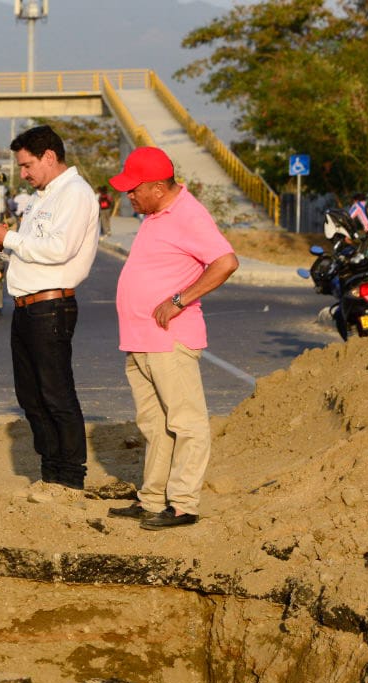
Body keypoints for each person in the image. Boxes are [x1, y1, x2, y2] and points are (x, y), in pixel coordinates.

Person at [106, 146, 238, 530]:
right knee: (155, 425)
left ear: (158, 188)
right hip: (142, 340)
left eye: (134, 190)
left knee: (186, 423)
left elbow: (226, 262)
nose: (128, 196)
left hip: (170, 340)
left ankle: (183, 505)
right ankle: (151, 500)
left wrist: (181, 299)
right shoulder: (156, 213)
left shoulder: (188, 215)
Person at [0, 125, 99, 491]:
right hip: (27, 307)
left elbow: (60, 250)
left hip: (51, 306)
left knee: (56, 393)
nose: (24, 174)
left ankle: (70, 477)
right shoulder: (42, 197)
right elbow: (37, 246)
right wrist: (7, 245)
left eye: (27, 166)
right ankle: (50, 474)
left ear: (49, 156)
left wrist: (10, 237)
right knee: (30, 395)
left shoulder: (75, 193)